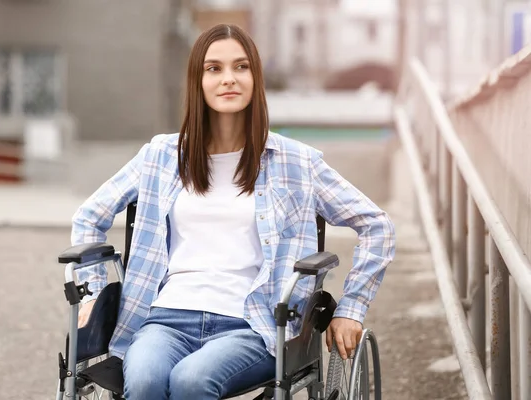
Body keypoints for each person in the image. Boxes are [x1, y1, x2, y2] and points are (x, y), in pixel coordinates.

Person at [71, 24, 395, 400]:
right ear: (198, 80)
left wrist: (351, 308)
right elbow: (89, 216)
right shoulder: (161, 156)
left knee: (192, 382)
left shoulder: (297, 162)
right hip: (164, 319)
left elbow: (377, 225)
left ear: (256, 78)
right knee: (144, 382)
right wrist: (93, 292)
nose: (229, 79)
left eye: (241, 67)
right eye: (214, 68)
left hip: (253, 325)